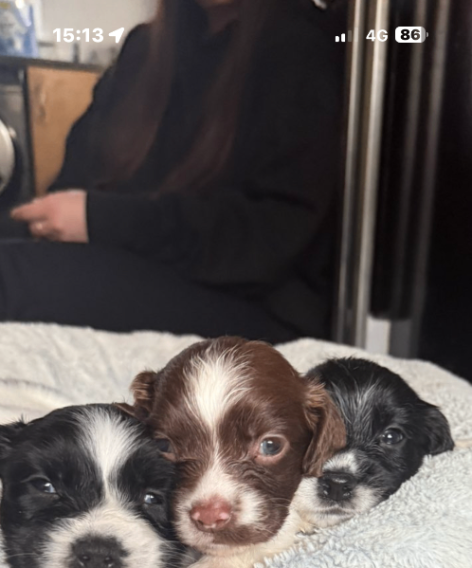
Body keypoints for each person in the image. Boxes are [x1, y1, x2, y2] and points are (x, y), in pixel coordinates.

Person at [0, 0, 346, 340]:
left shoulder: (300, 47)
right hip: (141, 263)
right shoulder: (145, 51)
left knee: (10, 279)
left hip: (255, 303)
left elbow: (266, 239)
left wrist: (100, 220)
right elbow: (78, 180)